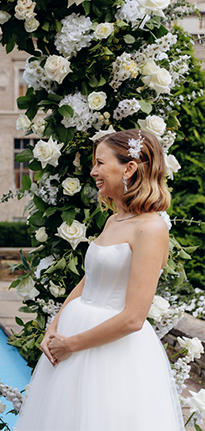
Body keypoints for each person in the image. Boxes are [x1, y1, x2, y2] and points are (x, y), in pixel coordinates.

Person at [14, 129, 184, 430]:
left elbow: (133, 318)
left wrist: (72, 344)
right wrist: (55, 326)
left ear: (129, 168)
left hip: (110, 353)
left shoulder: (151, 229)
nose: (93, 172)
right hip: (72, 339)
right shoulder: (114, 220)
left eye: (100, 163)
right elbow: (88, 281)